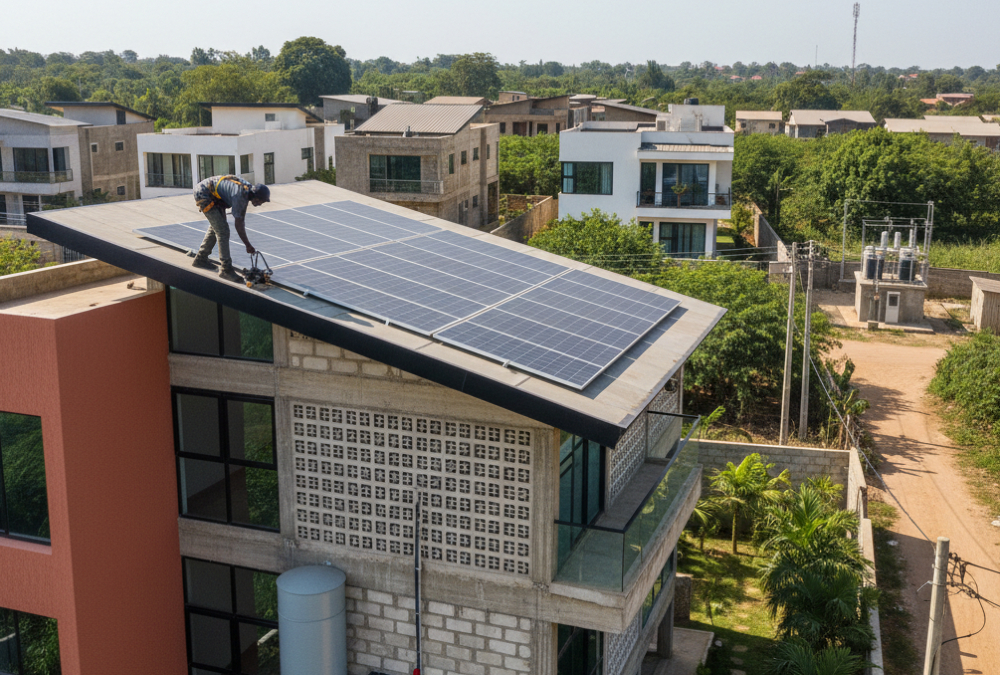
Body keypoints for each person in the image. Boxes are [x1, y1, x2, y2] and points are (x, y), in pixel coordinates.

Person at [191, 175, 270, 282]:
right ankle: (225, 269)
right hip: (204, 194)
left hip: (213, 194)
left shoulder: (247, 190)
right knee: (223, 231)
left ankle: (201, 259)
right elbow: (239, 224)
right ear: (256, 197)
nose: (261, 204)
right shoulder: (240, 196)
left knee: (218, 227)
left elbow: (228, 203)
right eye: (262, 201)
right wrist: (248, 245)